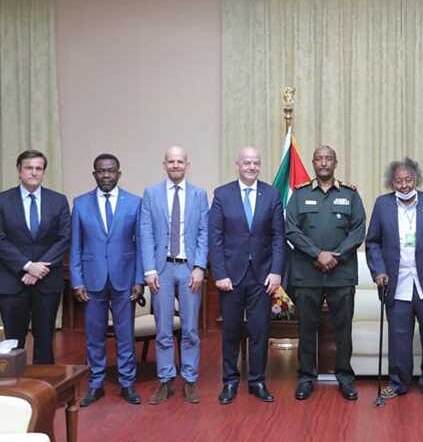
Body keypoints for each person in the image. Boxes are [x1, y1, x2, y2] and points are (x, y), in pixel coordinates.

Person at [365, 158, 423, 401]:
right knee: (399, 337)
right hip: (396, 283)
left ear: (416, 179)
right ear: (391, 183)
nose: (404, 186)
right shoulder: (382, 204)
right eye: (398, 181)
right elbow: (373, 242)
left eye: (408, 180)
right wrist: (379, 271)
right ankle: (398, 383)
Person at [286, 145, 366, 401]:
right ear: (313, 163)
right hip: (307, 275)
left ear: (335, 163)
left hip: (341, 275)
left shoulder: (350, 195)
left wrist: (336, 256)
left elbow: (358, 231)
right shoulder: (299, 194)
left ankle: (345, 378)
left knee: (343, 330)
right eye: (319, 159)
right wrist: (317, 254)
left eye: (328, 158)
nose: (323, 163)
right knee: (307, 329)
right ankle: (306, 378)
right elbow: (291, 229)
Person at [208, 146, 285, 404]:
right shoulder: (222, 194)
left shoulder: (271, 194)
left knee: (259, 331)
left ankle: (257, 381)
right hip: (230, 276)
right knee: (231, 331)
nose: (252, 167)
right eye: (247, 163)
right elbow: (215, 238)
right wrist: (219, 273)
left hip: (262, 276)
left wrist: (276, 271)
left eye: (256, 163)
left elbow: (278, 237)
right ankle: (230, 381)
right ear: (237, 165)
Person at [71, 153, 144, 406]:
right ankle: (95, 384)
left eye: (110, 170)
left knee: (125, 336)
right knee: (94, 336)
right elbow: (76, 246)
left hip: (125, 279)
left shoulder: (134, 203)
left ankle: (127, 383)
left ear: (118, 173)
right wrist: (77, 281)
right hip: (92, 280)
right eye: (101, 171)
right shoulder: (80, 204)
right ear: (94, 174)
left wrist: (139, 279)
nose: (106, 175)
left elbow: (141, 245)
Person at [140, 146, 209, 404]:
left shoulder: (199, 194)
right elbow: (146, 232)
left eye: (180, 161)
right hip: (162, 269)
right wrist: (149, 269)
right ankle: (166, 379)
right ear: (164, 164)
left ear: (187, 165)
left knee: (190, 328)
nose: (176, 165)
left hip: (189, 269)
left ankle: (189, 379)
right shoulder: (151, 193)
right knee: (164, 329)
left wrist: (200, 266)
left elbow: (203, 232)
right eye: (171, 161)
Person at [0, 150, 70, 364]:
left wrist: (38, 269)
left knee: (45, 339)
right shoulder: (3, 201)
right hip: (12, 282)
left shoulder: (58, 201)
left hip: (47, 282)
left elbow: (64, 238)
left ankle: (45, 383)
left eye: (38, 168)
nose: (34, 172)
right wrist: (27, 265)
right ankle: (15, 384)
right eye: (29, 168)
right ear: (19, 171)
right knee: (13, 343)